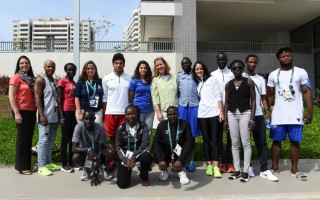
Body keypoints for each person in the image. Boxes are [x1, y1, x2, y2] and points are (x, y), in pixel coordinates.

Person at [267, 47, 313, 181]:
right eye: (283, 56)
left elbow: (306, 92)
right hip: (278, 115)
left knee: (295, 142)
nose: (286, 58)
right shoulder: (273, 74)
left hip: (295, 114)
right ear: (278, 59)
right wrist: (267, 112)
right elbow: (270, 94)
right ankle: (274, 168)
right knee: (276, 142)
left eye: (288, 55)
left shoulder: (301, 72)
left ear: (292, 56)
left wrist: (309, 111)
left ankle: (294, 169)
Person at [243, 55, 278, 182]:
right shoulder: (240, 77)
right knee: (246, 143)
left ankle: (264, 169)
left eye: (255, 62)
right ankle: (249, 167)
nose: (252, 64)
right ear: (245, 62)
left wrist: (267, 111)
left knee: (262, 143)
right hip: (244, 114)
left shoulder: (260, 79)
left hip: (258, 114)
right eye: (250, 62)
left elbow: (263, 97)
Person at [224, 60, 256, 182]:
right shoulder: (228, 84)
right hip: (231, 113)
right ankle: (237, 170)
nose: (237, 70)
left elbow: (253, 101)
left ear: (243, 69)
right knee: (234, 142)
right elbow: (226, 102)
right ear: (231, 70)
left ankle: (246, 171)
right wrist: (226, 120)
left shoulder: (249, 82)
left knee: (246, 142)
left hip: (245, 113)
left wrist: (252, 119)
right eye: (234, 68)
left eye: (239, 68)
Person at [193, 61, 224, 177]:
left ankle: (216, 166)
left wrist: (221, 111)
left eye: (201, 68)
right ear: (194, 71)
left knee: (215, 140)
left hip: (214, 113)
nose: (199, 71)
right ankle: (209, 165)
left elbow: (218, 95)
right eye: (197, 69)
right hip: (202, 114)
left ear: (204, 69)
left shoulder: (212, 79)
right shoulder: (195, 83)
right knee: (206, 140)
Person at [72, 110, 116, 186]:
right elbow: (74, 148)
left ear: (94, 119)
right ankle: (87, 169)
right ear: (83, 119)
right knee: (75, 157)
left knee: (111, 152)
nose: (88, 121)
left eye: (91, 119)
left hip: (99, 150)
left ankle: (104, 167)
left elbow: (100, 152)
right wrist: (88, 150)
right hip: (86, 152)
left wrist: (95, 173)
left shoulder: (100, 128)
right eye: (86, 119)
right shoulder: (79, 127)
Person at [8, 55, 36, 175]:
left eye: (26, 63)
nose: (24, 65)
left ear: (29, 65)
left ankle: (27, 165)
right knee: (22, 139)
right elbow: (11, 96)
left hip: (31, 112)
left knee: (28, 139)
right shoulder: (16, 78)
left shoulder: (31, 79)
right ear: (18, 65)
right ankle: (22, 167)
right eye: (21, 63)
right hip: (21, 111)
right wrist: (17, 113)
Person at [153, 106, 195, 185]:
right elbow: (156, 143)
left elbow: (189, 142)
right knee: (154, 151)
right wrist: (160, 159)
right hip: (167, 151)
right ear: (167, 116)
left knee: (190, 150)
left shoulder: (185, 124)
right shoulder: (161, 125)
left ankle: (181, 170)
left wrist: (180, 160)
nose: (172, 116)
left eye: (174, 114)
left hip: (179, 152)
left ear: (178, 114)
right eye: (170, 114)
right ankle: (164, 169)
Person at [34, 60, 61, 176]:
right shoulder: (41, 80)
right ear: (44, 67)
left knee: (50, 141)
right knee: (43, 141)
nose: (51, 69)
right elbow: (37, 98)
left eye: (53, 67)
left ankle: (49, 162)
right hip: (45, 116)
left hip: (54, 116)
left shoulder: (54, 81)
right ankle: (41, 165)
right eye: (48, 66)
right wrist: (41, 115)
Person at [115, 105, 152, 188]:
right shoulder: (121, 128)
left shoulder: (143, 126)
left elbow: (145, 144)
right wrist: (125, 160)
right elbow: (118, 146)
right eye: (128, 114)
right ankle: (128, 171)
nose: (130, 116)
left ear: (137, 114)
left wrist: (134, 157)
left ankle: (144, 176)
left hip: (139, 154)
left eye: (133, 114)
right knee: (122, 184)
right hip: (126, 156)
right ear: (125, 115)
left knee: (147, 157)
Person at [210, 52, 234, 173]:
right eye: (219, 60)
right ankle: (220, 161)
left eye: (224, 60)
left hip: (230, 110)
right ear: (216, 61)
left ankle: (229, 162)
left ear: (227, 60)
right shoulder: (212, 75)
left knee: (231, 137)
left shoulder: (232, 73)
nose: (222, 62)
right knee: (217, 138)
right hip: (217, 110)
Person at [102, 53, 131, 148]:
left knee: (124, 138)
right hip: (110, 112)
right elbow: (105, 97)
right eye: (116, 63)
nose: (118, 65)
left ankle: (122, 160)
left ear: (124, 64)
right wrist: (104, 113)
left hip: (124, 113)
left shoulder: (129, 78)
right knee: (112, 138)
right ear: (113, 64)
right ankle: (111, 160)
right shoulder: (106, 78)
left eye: (120, 63)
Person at [177, 57, 200, 172]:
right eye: (183, 63)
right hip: (182, 107)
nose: (185, 64)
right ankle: (180, 159)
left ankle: (191, 160)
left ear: (191, 64)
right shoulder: (179, 76)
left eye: (187, 63)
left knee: (192, 134)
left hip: (194, 107)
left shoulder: (196, 75)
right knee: (181, 134)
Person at [57, 63, 77, 173]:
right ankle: (63, 164)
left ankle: (71, 162)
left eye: (73, 70)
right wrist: (61, 117)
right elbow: (59, 99)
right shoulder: (62, 81)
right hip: (65, 112)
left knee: (72, 138)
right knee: (65, 139)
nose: (71, 72)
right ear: (65, 70)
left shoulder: (74, 83)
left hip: (73, 113)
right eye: (69, 70)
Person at [151, 57, 178, 125]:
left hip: (176, 111)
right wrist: (158, 112)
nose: (159, 66)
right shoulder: (155, 80)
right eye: (157, 65)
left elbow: (179, 93)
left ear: (165, 64)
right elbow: (155, 98)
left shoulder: (175, 77)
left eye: (161, 64)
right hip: (164, 112)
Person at [129, 60, 154, 134]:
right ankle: (138, 145)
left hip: (149, 110)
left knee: (148, 130)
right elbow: (131, 98)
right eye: (141, 68)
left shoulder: (151, 81)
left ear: (147, 69)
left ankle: (147, 145)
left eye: (145, 68)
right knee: (138, 130)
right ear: (138, 69)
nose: (143, 69)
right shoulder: (134, 81)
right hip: (138, 110)